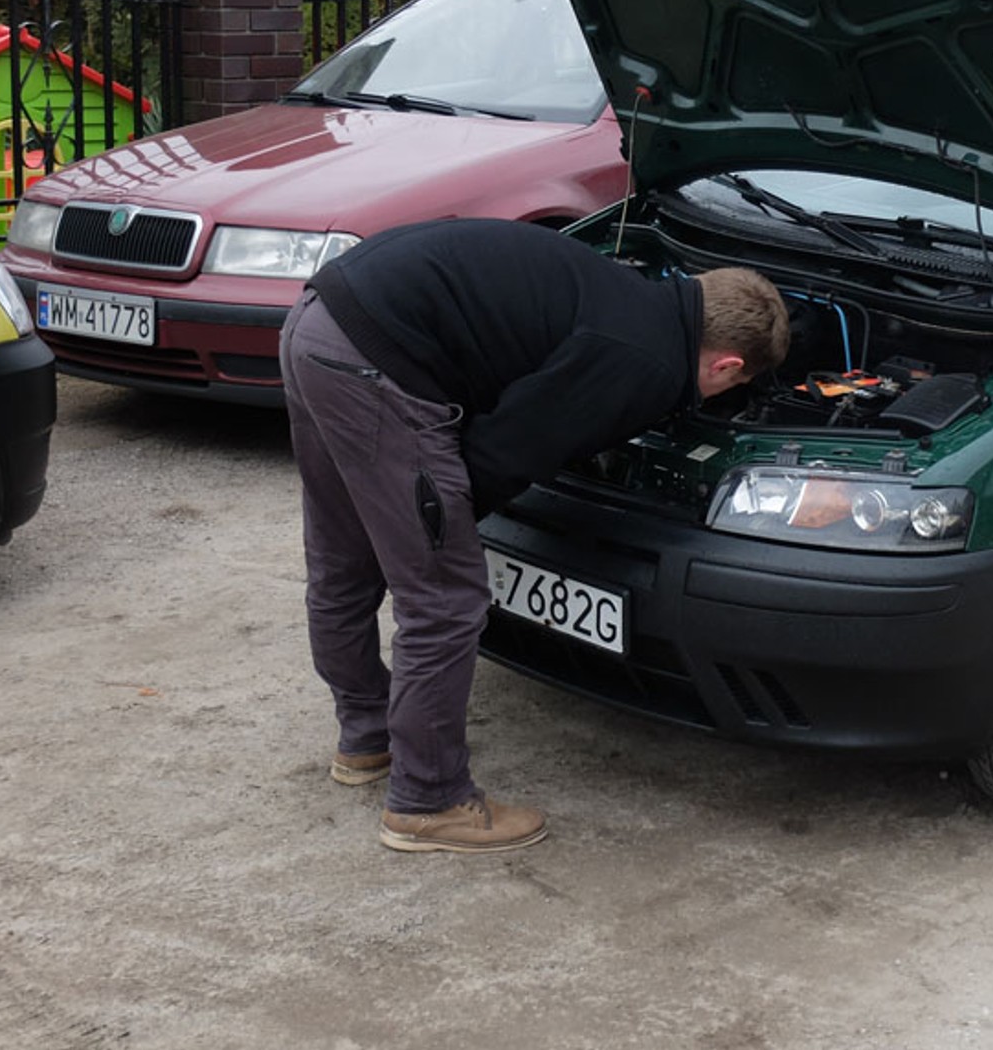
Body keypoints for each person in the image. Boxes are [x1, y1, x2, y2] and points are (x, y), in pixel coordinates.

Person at [279, 218, 790, 854]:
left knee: (344, 559)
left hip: (317, 322)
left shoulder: (633, 295)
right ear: (729, 363)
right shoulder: (647, 359)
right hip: (376, 367)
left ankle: (366, 738)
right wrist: (444, 532)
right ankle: (428, 800)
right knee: (445, 598)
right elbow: (502, 453)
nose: (718, 396)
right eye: (729, 387)